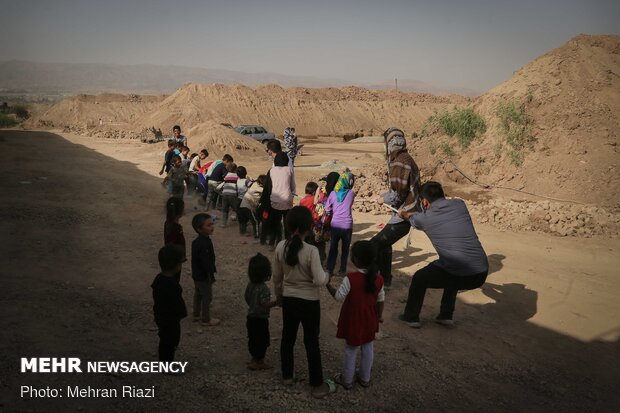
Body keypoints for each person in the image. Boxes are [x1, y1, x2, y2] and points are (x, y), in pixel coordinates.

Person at [397, 181, 488, 328]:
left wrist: (403, 213)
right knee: (449, 270)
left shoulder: (424, 219)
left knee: (420, 278)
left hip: (461, 272)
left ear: (424, 202)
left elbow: (410, 217)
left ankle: (411, 317)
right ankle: (446, 315)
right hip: (481, 272)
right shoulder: (460, 205)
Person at [273, 206, 334, 398]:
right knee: (311, 342)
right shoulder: (311, 251)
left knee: (287, 338)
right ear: (309, 227)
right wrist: (328, 276)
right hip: (309, 302)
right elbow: (318, 280)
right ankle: (316, 384)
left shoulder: (280, 246)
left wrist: (279, 297)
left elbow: (276, 278)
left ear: (288, 225)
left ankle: (287, 376)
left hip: (289, 300)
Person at [326, 240, 384, 389]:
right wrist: (380, 316)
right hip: (371, 318)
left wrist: (327, 284)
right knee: (368, 347)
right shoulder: (378, 278)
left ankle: (347, 379)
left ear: (356, 259)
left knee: (351, 349)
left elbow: (338, 297)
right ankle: (365, 378)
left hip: (354, 319)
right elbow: (380, 299)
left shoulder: (351, 278)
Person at [371, 127, 421, 288]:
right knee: (384, 245)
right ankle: (385, 279)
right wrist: (382, 196)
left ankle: (375, 279)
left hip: (406, 213)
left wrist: (382, 198)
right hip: (405, 211)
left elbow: (398, 195)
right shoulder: (405, 158)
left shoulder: (400, 162)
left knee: (375, 244)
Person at [151, 244, 187, 362]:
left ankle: (165, 361)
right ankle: (167, 364)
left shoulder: (159, 279)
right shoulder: (172, 285)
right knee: (170, 341)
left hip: (161, 316)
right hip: (170, 320)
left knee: (165, 340)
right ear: (175, 265)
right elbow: (177, 304)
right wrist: (182, 314)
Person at [245, 253, 278, 370]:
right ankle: (259, 362)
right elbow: (265, 304)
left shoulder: (250, 285)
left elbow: (247, 297)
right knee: (262, 340)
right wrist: (276, 302)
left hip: (251, 317)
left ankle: (254, 358)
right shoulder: (264, 288)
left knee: (253, 338)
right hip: (261, 319)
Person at [260, 152, 295, 249]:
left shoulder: (271, 171)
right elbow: (293, 187)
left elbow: (268, 188)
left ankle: (272, 244)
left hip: (274, 202)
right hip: (287, 201)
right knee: (287, 223)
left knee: (275, 223)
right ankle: (287, 244)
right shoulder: (289, 170)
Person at [191, 213, 221, 326]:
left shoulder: (196, 242)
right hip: (204, 276)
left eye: (212, 224)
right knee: (207, 297)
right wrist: (210, 275)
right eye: (208, 225)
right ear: (199, 229)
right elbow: (206, 262)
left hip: (196, 275)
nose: (212, 227)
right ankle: (206, 319)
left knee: (198, 294)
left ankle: (196, 314)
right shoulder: (204, 243)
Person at [325, 172, 356, 277]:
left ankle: (329, 269)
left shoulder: (333, 194)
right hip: (347, 225)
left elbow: (327, 209)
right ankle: (342, 269)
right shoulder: (351, 194)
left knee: (333, 247)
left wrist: (330, 213)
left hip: (335, 225)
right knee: (345, 249)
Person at [312, 172, 340, 264]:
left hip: (319, 218)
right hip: (331, 218)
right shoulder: (337, 192)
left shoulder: (320, 189)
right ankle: (331, 261)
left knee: (319, 239)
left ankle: (320, 257)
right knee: (331, 239)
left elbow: (315, 202)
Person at [164, 197, 186, 281]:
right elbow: (173, 244)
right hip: (175, 259)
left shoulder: (168, 223)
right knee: (174, 280)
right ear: (180, 212)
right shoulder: (176, 227)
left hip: (170, 257)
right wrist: (181, 257)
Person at [218, 162, 239, 227]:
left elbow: (221, 185)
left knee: (225, 210)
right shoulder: (237, 176)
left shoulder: (227, 176)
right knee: (237, 209)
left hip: (224, 195)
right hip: (232, 195)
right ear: (235, 169)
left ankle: (223, 223)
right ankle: (241, 222)